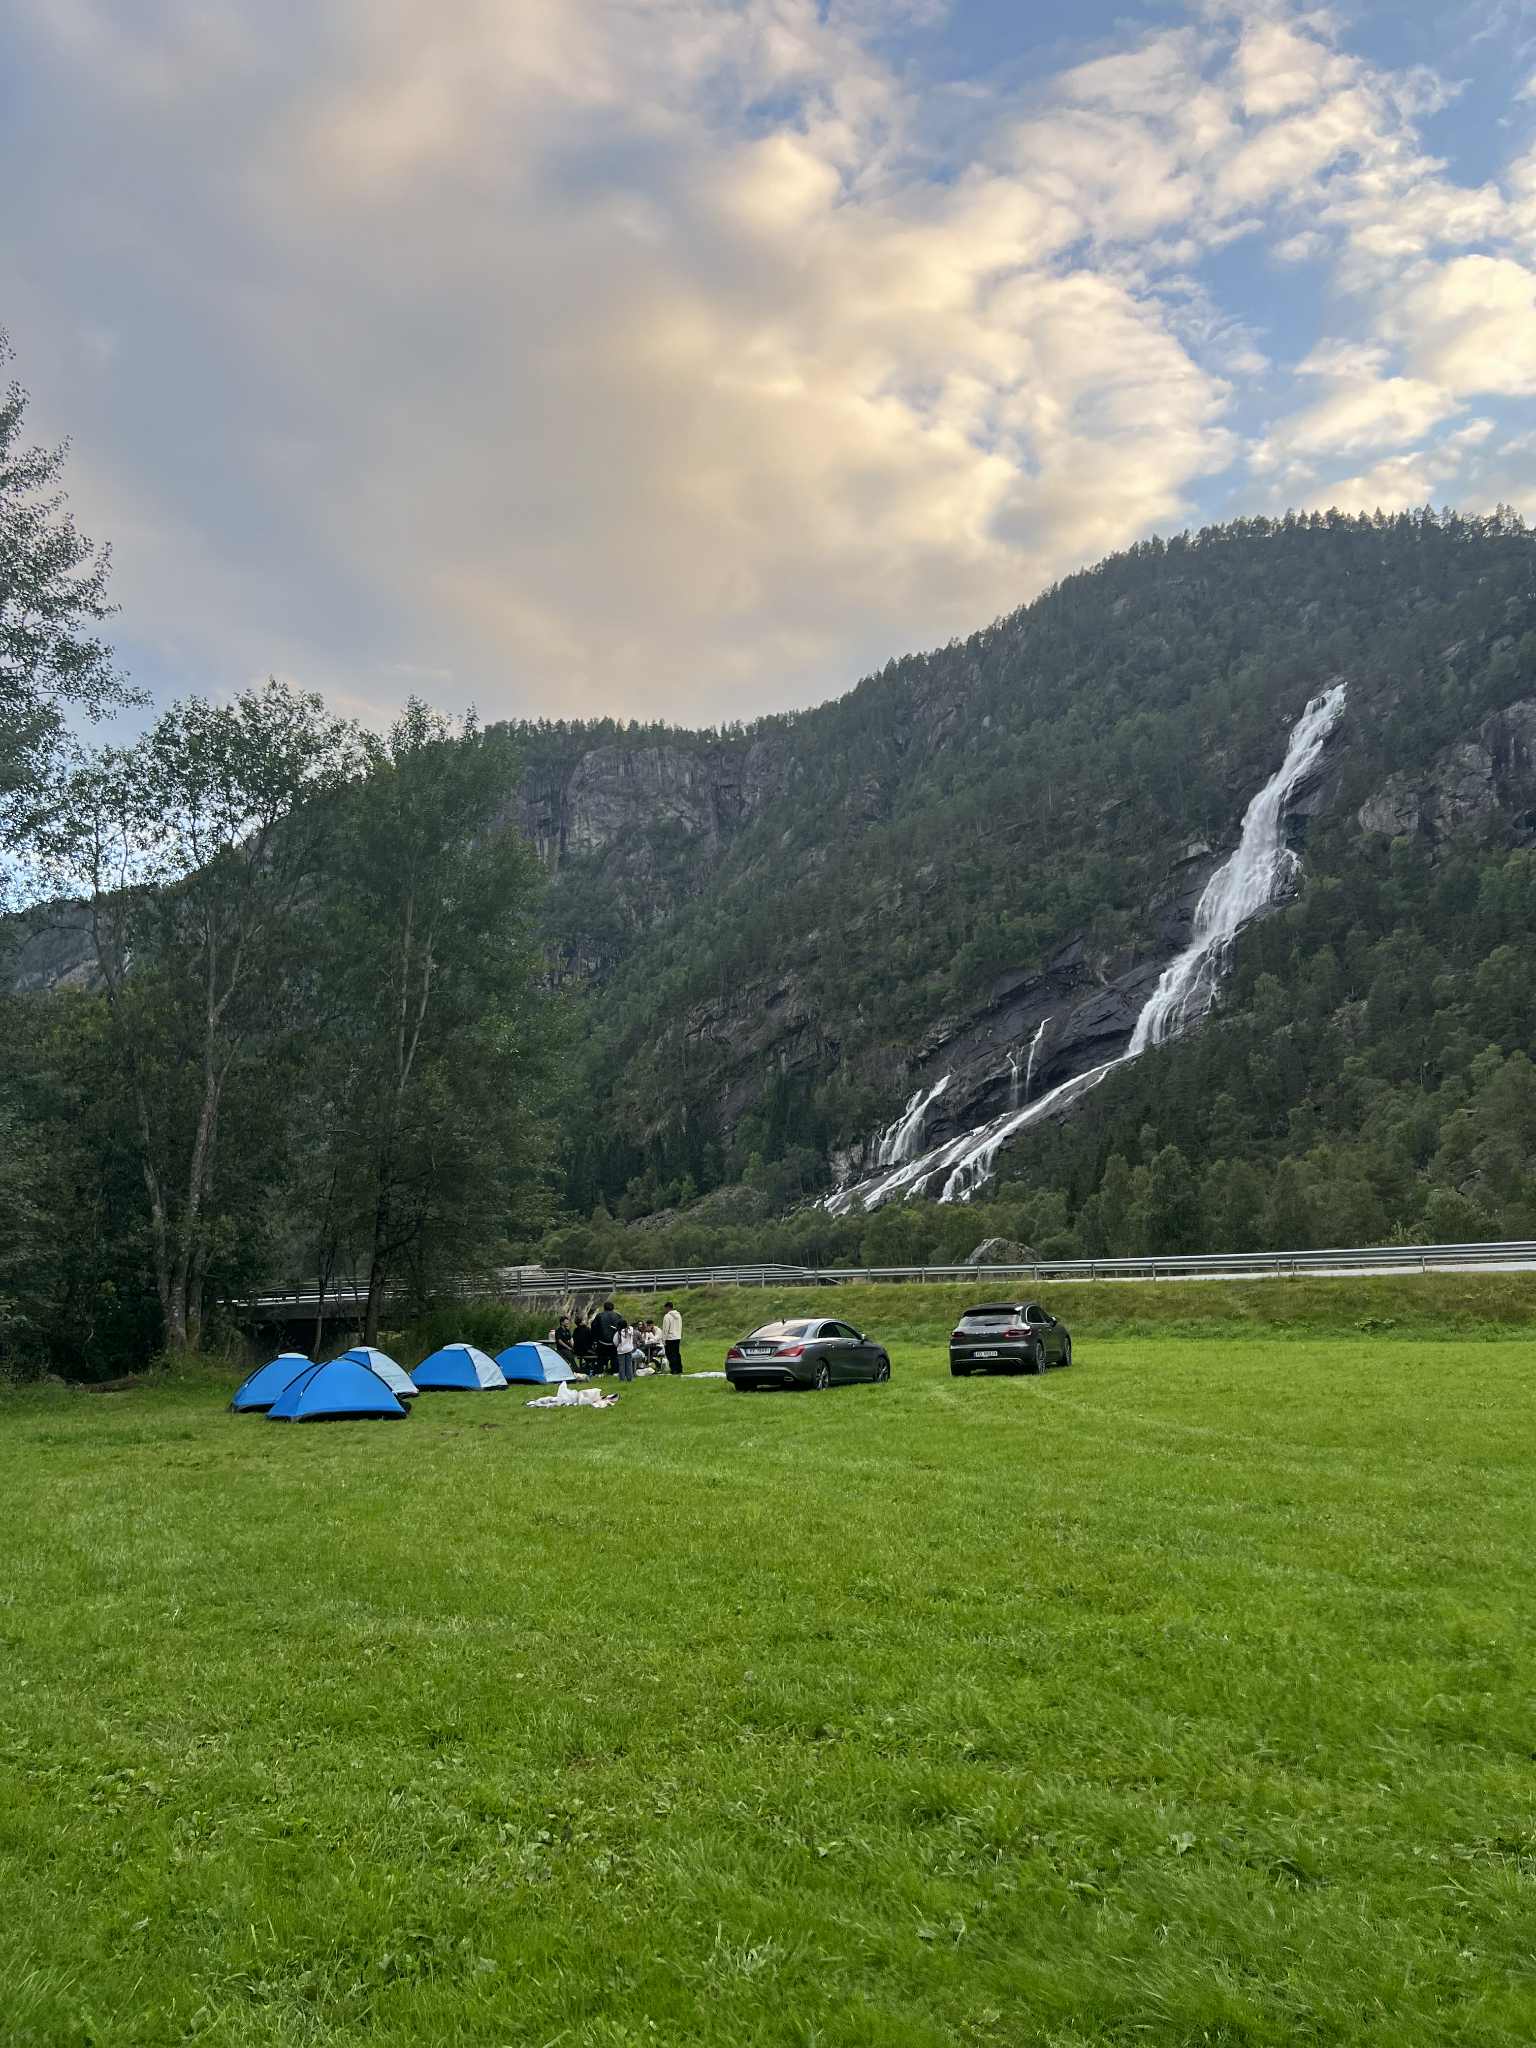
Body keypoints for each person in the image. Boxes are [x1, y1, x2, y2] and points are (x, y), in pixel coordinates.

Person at [591, 1299, 627, 1376]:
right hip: (614, 1341)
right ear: (613, 1308)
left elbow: (594, 1327)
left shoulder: (599, 1316)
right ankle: (615, 1372)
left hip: (602, 1341)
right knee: (614, 1357)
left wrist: (595, 1340)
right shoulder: (618, 1316)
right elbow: (622, 1328)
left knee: (600, 1357)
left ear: (604, 1308)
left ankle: (600, 1372)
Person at [661, 1300, 683, 1375]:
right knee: (676, 1353)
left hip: (670, 1338)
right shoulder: (679, 1315)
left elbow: (665, 1329)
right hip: (677, 1337)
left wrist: (663, 1339)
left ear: (667, 1307)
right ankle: (679, 1368)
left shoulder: (667, 1316)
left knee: (670, 1354)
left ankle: (674, 1369)